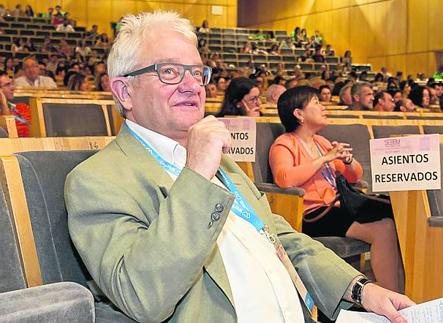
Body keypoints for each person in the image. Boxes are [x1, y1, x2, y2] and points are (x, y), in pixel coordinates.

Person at [65, 11, 413, 323]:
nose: (192, 86)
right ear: (124, 92)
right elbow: (142, 295)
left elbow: (281, 238)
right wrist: (197, 175)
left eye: (197, 72)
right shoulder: (97, 181)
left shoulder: (224, 163)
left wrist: (360, 290)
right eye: (169, 71)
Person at [270, 86, 404, 293]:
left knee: (392, 214)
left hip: (336, 207)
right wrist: (325, 158)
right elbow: (285, 179)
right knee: (384, 227)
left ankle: (396, 292)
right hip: (310, 214)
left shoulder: (321, 142)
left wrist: (347, 160)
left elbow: (355, 176)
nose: (323, 107)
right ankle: (390, 295)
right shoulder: (284, 143)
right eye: (316, 103)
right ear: (298, 114)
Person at [0, 71, 32, 136]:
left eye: (11, 84)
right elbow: (8, 134)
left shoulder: (23, 107)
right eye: (7, 85)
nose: (13, 88)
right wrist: (4, 104)